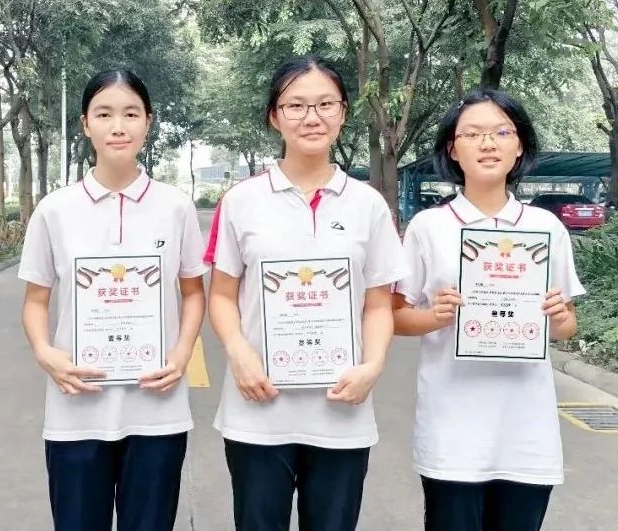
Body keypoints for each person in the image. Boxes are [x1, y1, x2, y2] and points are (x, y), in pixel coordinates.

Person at [203, 56, 407, 530]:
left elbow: (379, 302)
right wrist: (238, 352)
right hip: (258, 411)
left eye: (325, 104)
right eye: (295, 105)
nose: (311, 117)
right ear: (274, 117)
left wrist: (373, 366)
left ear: (343, 113)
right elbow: (222, 294)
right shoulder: (241, 201)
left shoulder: (368, 205)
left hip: (342, 412)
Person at [18, 68, 209, 531]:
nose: (118, 126)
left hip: (156, 408)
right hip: (76, 407)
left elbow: (192, 291)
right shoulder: (55, 210)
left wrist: (182, 354)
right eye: (104, 114)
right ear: (85, 124)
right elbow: (36, 299)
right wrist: (45, 352)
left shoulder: (175, 207)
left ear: (148, 121)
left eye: (130, 114)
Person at [392, 87, 584, 531]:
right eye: (472, 134)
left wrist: (559, 318)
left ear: (519, 146)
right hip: (452, 430)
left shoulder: (545, 227)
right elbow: (397, 316)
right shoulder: (429, 227)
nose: (487, 143)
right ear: (452, 149)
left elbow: (567, 325)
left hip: (526, 431)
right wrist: (434, 317)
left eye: (501, 132)